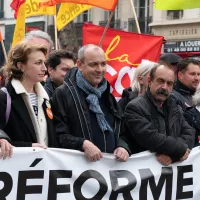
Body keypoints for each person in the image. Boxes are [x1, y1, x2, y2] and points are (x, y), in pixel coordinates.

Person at [52, 44, 131, 162]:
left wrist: (123, 146)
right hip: (77, 172)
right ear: (79, 65)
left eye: (103, 64)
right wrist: (82, 144)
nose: (99, 69)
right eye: (93, 64)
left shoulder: (108, 95)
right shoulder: (63, 93)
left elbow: (122, 131)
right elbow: (58, 135)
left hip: (108, 172)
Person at [125, 64, 195, 166]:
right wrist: (180, 149)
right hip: (144, 173)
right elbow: (150, 138)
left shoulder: (174, 106)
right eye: (160, 81)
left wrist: (173, 156)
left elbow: (189, 133)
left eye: (169, 83)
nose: (164, 87)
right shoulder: (135, 107)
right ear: (149, 81)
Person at [0, 41, 56, 148]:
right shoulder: (4, 97)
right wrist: (29, 147)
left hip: (46, 163)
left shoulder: (46, 97)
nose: (44, 68)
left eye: (44, 63)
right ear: (21, 66)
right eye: (38, 63)